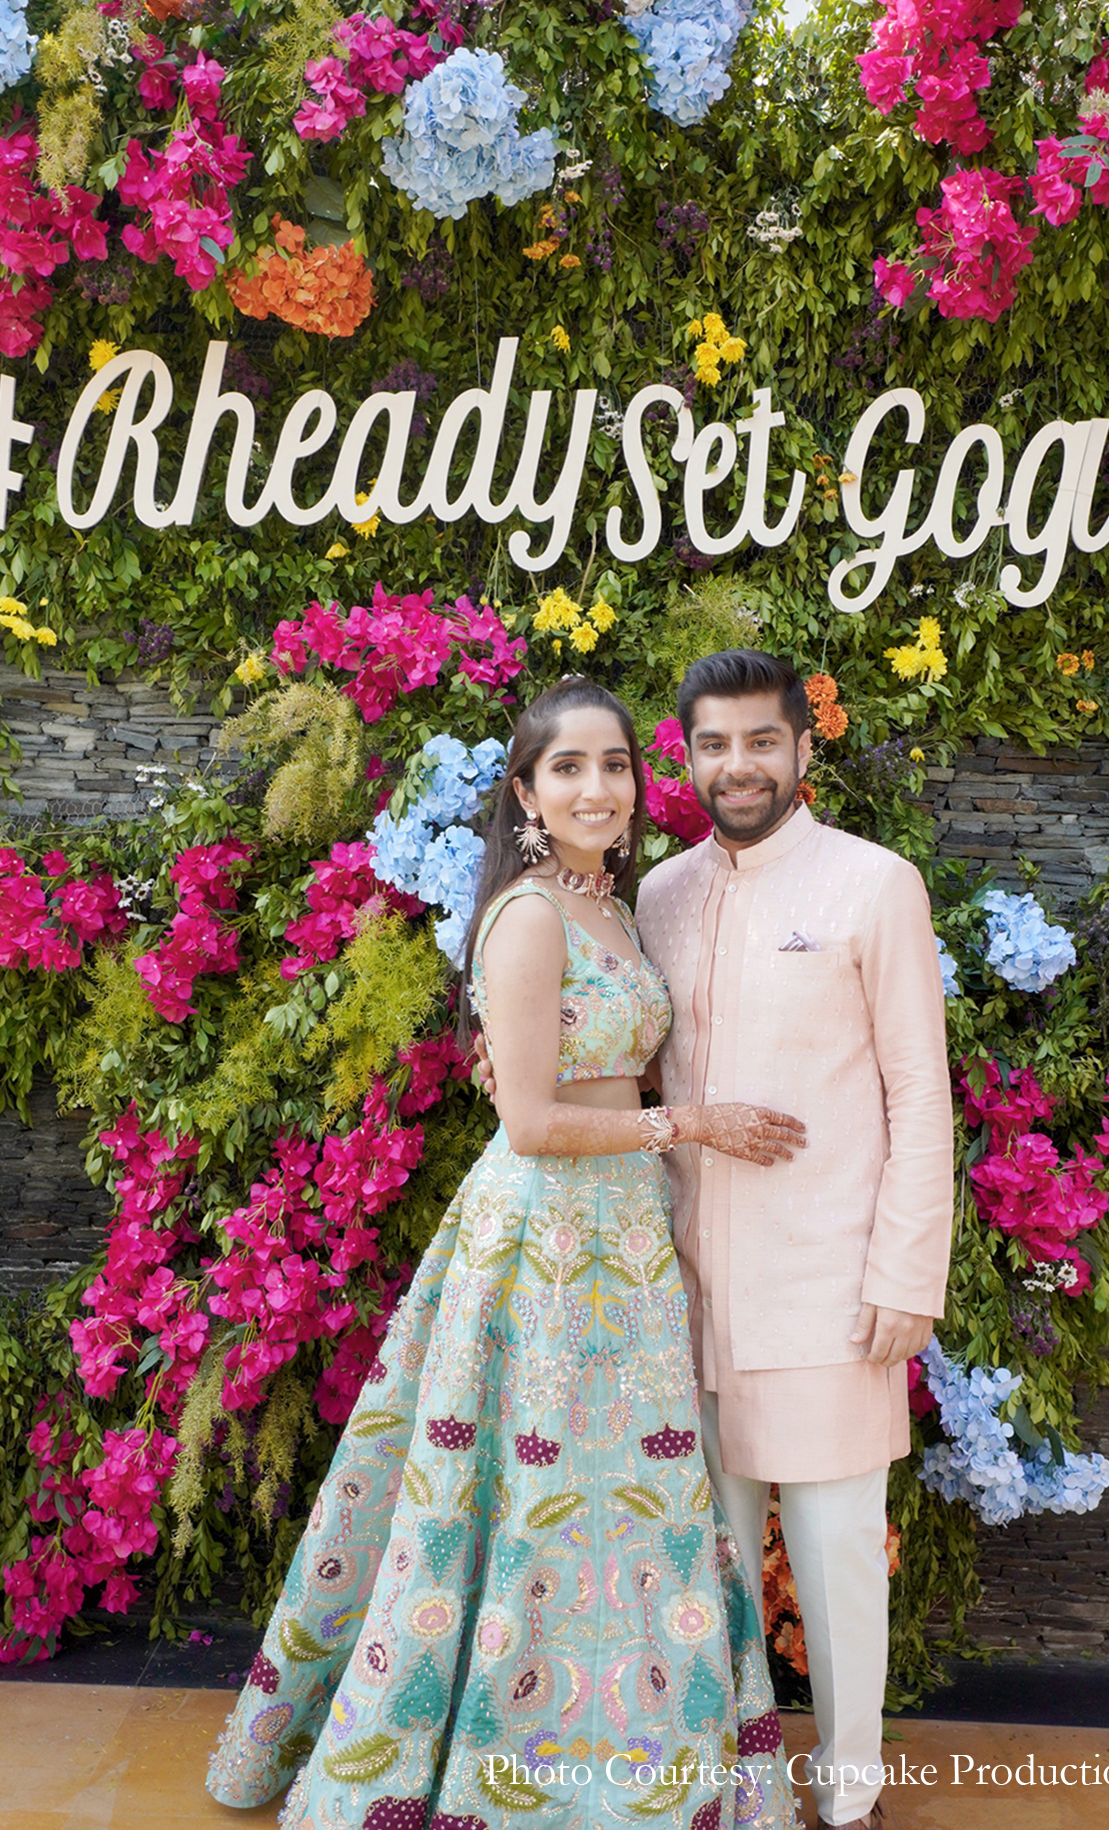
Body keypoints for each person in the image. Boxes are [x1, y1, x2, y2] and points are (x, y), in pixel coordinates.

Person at [207, 676, 805, 1830]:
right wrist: (689, 1124)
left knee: (628, 1496)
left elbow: (594, 1066)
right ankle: (504, 1765)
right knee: (534, 1493)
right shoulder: (531, 914)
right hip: (544, 1239)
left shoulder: (608, 907)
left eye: (614, 764)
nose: (597, 787)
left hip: (624, 1237)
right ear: (526, 793)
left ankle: (634, 1751)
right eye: (567, 768)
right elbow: (529, 1122)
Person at [634, 651, 955, 1830]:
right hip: (683, 1291)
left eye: (760, 742)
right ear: (686, 757)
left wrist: (905, 1274)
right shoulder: (658, 895)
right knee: (706, 1564)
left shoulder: (874, 885)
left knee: (833, 1559)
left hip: (826, 1286)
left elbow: (918, 1092)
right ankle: (732, 1778)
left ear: (801, 748)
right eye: (714, 745)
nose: (738, 766)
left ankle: (849, 1790)